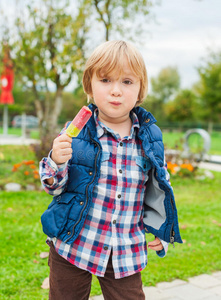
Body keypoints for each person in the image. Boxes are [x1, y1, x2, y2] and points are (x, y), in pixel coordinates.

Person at [39, 40, 182, 300]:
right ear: (89, 86)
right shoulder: (76, 132)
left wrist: (161, 227)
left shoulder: (149, 137)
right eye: (105, 80)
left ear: (140, 89)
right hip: (73, 244)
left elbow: (159, 185)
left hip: (125, 249)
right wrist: (57, 162)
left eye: (127, 82)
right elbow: (54, 187)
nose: (116, 91)